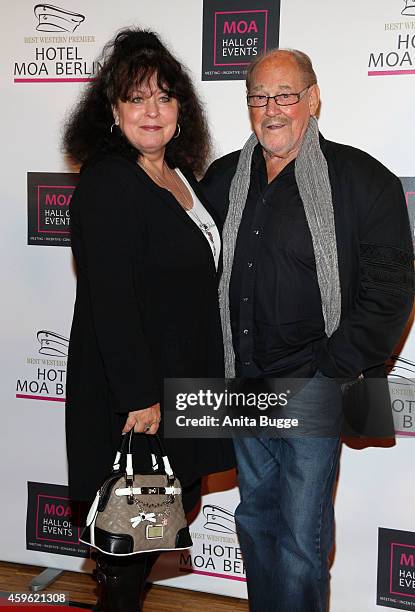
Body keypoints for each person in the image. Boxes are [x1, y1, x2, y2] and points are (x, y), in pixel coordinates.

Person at [202, 49, 414, 611]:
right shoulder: (224, 178)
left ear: (313, 100)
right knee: (253, 524)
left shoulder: (364, 181)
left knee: (300, 541)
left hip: (312, 389)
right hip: (244, 388)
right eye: (259, 97)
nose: (272, 109)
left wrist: (330, 370)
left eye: (285, 95)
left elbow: (392, 291)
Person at [63, 28, 234, 612]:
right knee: (128, 538)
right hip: (134, 395)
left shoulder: (181, 178)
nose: (152, 110)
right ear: (112, 112)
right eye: (135, 98)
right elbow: (109, 296)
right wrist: (140, 397)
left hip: (181, 381)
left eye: (164, 96)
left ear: (181, 108)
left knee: (154, 523)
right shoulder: (109, 181)